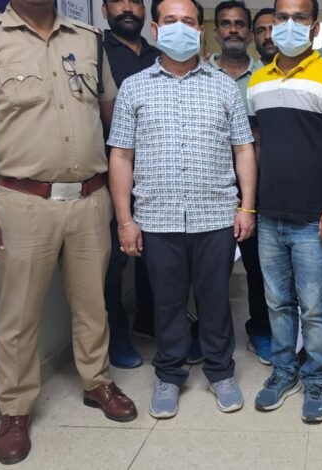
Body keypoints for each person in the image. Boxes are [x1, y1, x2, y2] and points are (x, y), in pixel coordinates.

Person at [0, 0, 138, 464]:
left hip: (90, 198)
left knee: (93, 303)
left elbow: (112, 115)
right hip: (22, 202)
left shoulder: (89, 40)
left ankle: (97, 382)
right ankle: (15, 410)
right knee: (18, 315)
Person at [107, 0, 257, 419]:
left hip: (216, 216)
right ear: (155, 29)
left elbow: (244, 149)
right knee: (166, 303)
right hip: (157, 218)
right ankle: (169, 374)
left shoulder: (223, 86)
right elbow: (121, 156)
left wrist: (246, 207)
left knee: (215, 301)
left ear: (200, 31)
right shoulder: (134, 87)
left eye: (188, 21)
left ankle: (220, 371)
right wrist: (125, 220)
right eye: (170, 21)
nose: (180, 28)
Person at [248, 0, 322, 423]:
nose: (289, 24)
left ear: (314, 26)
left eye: (300, 17)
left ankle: (315, 377)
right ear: (272, 23)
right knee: (277, 303)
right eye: (282, 17)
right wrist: (252, 205)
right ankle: (283, 372)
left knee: (313, 308)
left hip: (315, 217)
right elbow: (257, 145)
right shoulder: (258, 80)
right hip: (269, 216)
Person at [208, 0, 272, 365]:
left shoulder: (266, 77)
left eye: (240, 24)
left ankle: (260, 329)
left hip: (256, 189)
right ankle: (206, 334)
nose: (233, 29)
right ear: (216, 31)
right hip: (209, 188)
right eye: (226, 23)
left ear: (249, 33)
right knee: (208, 270)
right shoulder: (199, 74)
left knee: (258, 268)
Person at [100, 0, 161, 369]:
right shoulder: (97, 51)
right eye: (118, 1)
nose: (127, 7)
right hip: (113, 172)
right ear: (104, 9)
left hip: (157, 174)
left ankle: (150, 321)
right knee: (114, 260)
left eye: (135, 1)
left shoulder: (159, 56)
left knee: (157, 254)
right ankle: (118, 336)